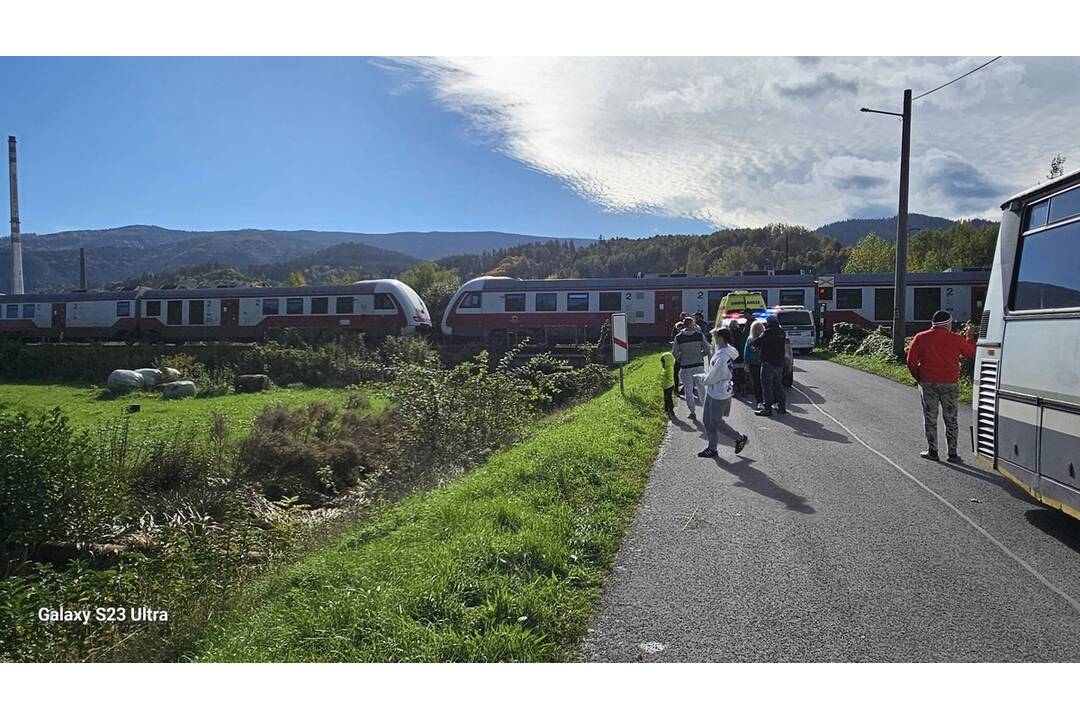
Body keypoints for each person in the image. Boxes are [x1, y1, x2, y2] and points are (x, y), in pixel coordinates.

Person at [905, 310, 977, 463]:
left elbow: (910, 362)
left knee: (930, 417)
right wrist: (969, 337)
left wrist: (920, 378)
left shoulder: (920, 337)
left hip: (928, 383)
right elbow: (971, 353)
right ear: (948, 324)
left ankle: (933, 451)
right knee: (951, 418)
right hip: (950, 382)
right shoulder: (956, 339)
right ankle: (952, 454)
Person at [696, 326, 749, 457]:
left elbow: (715, 375)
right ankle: (712, 447)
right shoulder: (726, 351)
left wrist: (703, 380)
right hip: (716, 389)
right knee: (707, 420)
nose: (713, 339)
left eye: (715, 337)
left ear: (720, 338)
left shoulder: (722, 355)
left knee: (715, 421)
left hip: (718, 391)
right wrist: (706, 378)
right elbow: (715, 373)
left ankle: (739, 438)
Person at [672, 316, 711, 421]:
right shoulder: (699, 335)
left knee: (688, 390)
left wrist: (681, 359)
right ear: (692, 324)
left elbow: (674, 353)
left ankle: (692, 412)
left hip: (685, 367)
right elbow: (708, 349)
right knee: (702, 389)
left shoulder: (678, 337)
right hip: (698, 365)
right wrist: (700, 355)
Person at [752, 316, 787, 416]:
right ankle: (782, 407)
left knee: (767, 387)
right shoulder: (781, 332)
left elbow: (757, 342)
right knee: (778, 386)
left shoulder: (768, 332)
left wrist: (755, 342)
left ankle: (767, 409)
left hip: (768, 363)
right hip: (779, 363)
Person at [743, 319, 765, 410]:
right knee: (757, 383)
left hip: (764, 363)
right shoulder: (750, 339)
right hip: (753, 363)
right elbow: (746, 351)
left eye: (760, 328)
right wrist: (746, 363)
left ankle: (769, 400)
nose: (758, 330)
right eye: (756, 328)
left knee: (766, 383)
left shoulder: (765, 338)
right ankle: (759, 401)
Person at [659, 349, 676, 417]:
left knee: (668, 398)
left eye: (663, 362)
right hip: (666, 386)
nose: (662, 363)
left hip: (668, 386)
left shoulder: (669, 369)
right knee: (666, 397)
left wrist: (666, 385)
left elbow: (670, 379)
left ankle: (671, 410)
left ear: (667, 361)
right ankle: (666, 409)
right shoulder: (665, 368)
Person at [672, 321, 685, 395]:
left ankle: (677, 389)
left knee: (677, 373)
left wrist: (677, 358)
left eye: (678, 329)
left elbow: (674, 351)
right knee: (681, 373)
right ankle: (679, 388)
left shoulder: (679, 336)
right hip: (684, 357)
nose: (678, 331)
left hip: (680, 358)